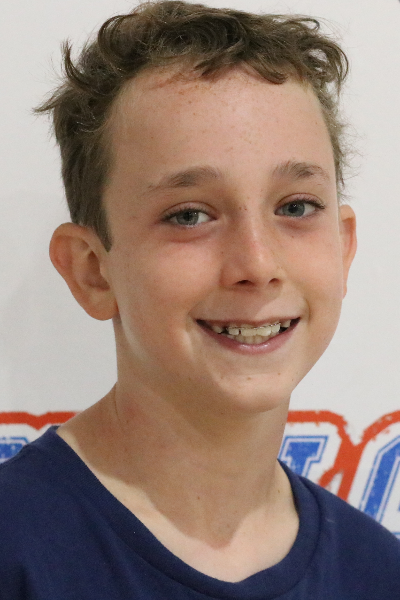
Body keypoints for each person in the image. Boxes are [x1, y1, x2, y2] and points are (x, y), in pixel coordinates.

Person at [0, 1, 399, 598]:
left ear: (342, 249)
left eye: (296, 207)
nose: (257, 265)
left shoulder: (379, 572)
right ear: (92, 271)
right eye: (189, 215)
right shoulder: (15, 550)